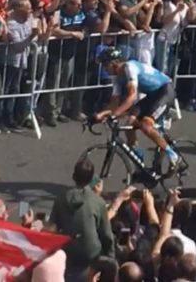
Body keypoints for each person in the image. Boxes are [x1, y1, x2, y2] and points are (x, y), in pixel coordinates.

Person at [93, 48, 179, 179]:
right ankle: (141, 164)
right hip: (153, 95)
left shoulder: (129, 68)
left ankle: (173, 155)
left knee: (146, 125)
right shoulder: (117, 77)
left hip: (165, 91)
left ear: (114, 63)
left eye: (105, 65)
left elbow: (131, 97)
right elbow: (114, 103)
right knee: (130, 123)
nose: (104, 69)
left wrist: (114, 115)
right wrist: (101, 115)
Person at [50, 158, 115, 279]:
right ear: (91, 179)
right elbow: (106, 235)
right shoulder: (97, 202)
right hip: (91, 256)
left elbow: (53, 227)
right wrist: (111, 260)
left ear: (74, 176)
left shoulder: (61, 199)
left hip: (68, 252)